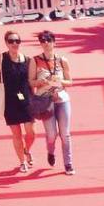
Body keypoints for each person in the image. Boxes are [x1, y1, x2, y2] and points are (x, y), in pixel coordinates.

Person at [0, 30, 37, 173]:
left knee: (31, 132)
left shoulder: (28, 60)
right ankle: (22, 161)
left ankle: (26, 150)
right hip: (9, 102)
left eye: (17, 41)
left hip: (26, 100)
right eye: (11, 41)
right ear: (6, 43)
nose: (14, 43)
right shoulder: (0, 58)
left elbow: (31, 81)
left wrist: (36, 98)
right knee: (17, 134)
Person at [28, 30, 73, 175]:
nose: (45, 43)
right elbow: (31, 82)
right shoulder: (35, 60)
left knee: (65, 133)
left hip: (62, 99)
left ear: (54, 42)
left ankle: (68, 163)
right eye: (42, 40)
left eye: (48, 40)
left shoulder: (62, 60)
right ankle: (51, 151)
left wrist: (60, 81)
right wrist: (39, 82)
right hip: (44, 100)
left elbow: (70, 81)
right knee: (52, 134)